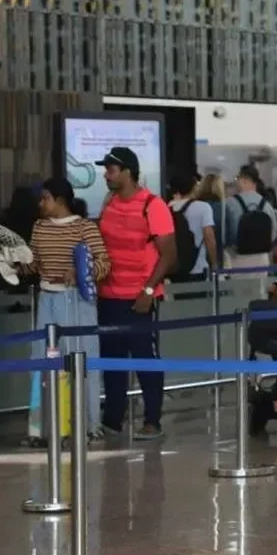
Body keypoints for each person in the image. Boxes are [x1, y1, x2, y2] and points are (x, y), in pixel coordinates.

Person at [95, 146, 177, 440]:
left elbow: (169, 255)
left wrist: (147, 290)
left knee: (145, 359)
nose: (106, 175)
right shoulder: (109, 203)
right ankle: (112, 420)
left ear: (128, 171)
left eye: (111, 170)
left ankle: (152, 420)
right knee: (112, 360)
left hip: (139, 298)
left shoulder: (153, 206)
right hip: (108, 296)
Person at [24, 178, 110, 446]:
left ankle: (87, 424)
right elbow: (33, 265)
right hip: (47, 298)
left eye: (45, 198)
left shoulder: (85, 227)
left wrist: (81, 271)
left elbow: (104, 263)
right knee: (42, 362)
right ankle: (42, 428)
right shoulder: (39, 227)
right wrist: (14, 263)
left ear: (60, 200)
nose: (41, 203)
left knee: (81, 361)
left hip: (77, 301)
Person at [225, 164, 277, 272]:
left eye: (237, 178)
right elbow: (274, 232)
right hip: (262, 258)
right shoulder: (266, 204)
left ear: (244, 179)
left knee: (239, 289)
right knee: (260, 289)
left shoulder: (231, 203)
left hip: (238, 257)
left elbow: (227, 232)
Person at [169, 173, 217, 281]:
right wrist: (214, 264)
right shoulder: (203, 207)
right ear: (193, 187)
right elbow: (209, 237)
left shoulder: (168, 208)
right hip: (198, 268)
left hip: (174, 270)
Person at [196, 173, 227, 268]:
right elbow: (224, 234)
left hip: (195, 256)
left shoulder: (194, 206)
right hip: (216, 253)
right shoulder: (221, 208)